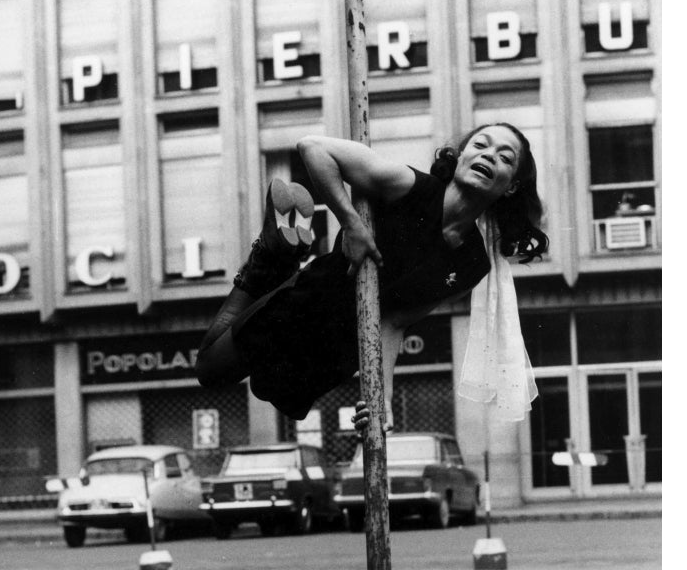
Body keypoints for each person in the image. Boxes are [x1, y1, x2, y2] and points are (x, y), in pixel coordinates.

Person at [195, 123, 549, 428]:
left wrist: (383, 400)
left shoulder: (473, 264)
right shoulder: (410, 186)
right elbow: (313, 148)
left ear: (512, 186)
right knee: (210, 371)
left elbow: (394, 323)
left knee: (268, 390)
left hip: (343, 345)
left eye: (505, 157)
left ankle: (277, 257)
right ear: (458, 156)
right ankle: (269, 259)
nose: (490, 155)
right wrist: (352, 225)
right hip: (310, 300)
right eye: (481, 145)